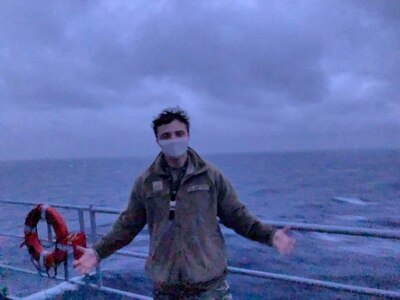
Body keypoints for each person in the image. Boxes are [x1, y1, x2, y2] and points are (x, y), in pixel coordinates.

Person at [73, 107, 295, 299]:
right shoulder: (146, 181)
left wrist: (270, 235)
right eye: (166, 135)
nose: (174, 139)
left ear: (188, 135)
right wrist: (97, 252)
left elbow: (237, 216)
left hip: (210, 287)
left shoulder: (211, 176)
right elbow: (127, 225)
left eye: (179, 133)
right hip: (166, 288)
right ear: (157, 140)